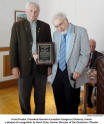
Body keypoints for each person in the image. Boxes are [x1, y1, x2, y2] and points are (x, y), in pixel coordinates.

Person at [9, 1, 52, 114]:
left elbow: (49, 47)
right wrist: (14, 66)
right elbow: (13, 47)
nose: (34, 13)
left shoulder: (45, 26)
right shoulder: (17, 26)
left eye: (36, 11)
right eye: (31, 10)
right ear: (26, 12)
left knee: (40, 97)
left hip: (41, 67)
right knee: (23, 97)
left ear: (38, 12)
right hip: (23, 67)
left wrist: (49, 65)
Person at [51, 12, 90, 114]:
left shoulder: (81, 31)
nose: (59, 28)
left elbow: (85, 53)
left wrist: (78, 70)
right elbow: (54, 53)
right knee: (59, 105)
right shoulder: (55, 34)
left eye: (61, 24)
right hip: (57, 74)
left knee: (71, 106)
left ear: (66, 20)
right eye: (56, 26)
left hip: (73, 74)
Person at [87, 39, 103, 108]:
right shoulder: (82, 53)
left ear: (95, 46)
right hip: (82, 73)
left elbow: (102, 66)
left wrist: (97, 71)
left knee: (91, 78)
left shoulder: (99, 55)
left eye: (93, 46)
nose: (91, 48)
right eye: (90, 46)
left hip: (92, 74)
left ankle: (88, 99)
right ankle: (77, 98)